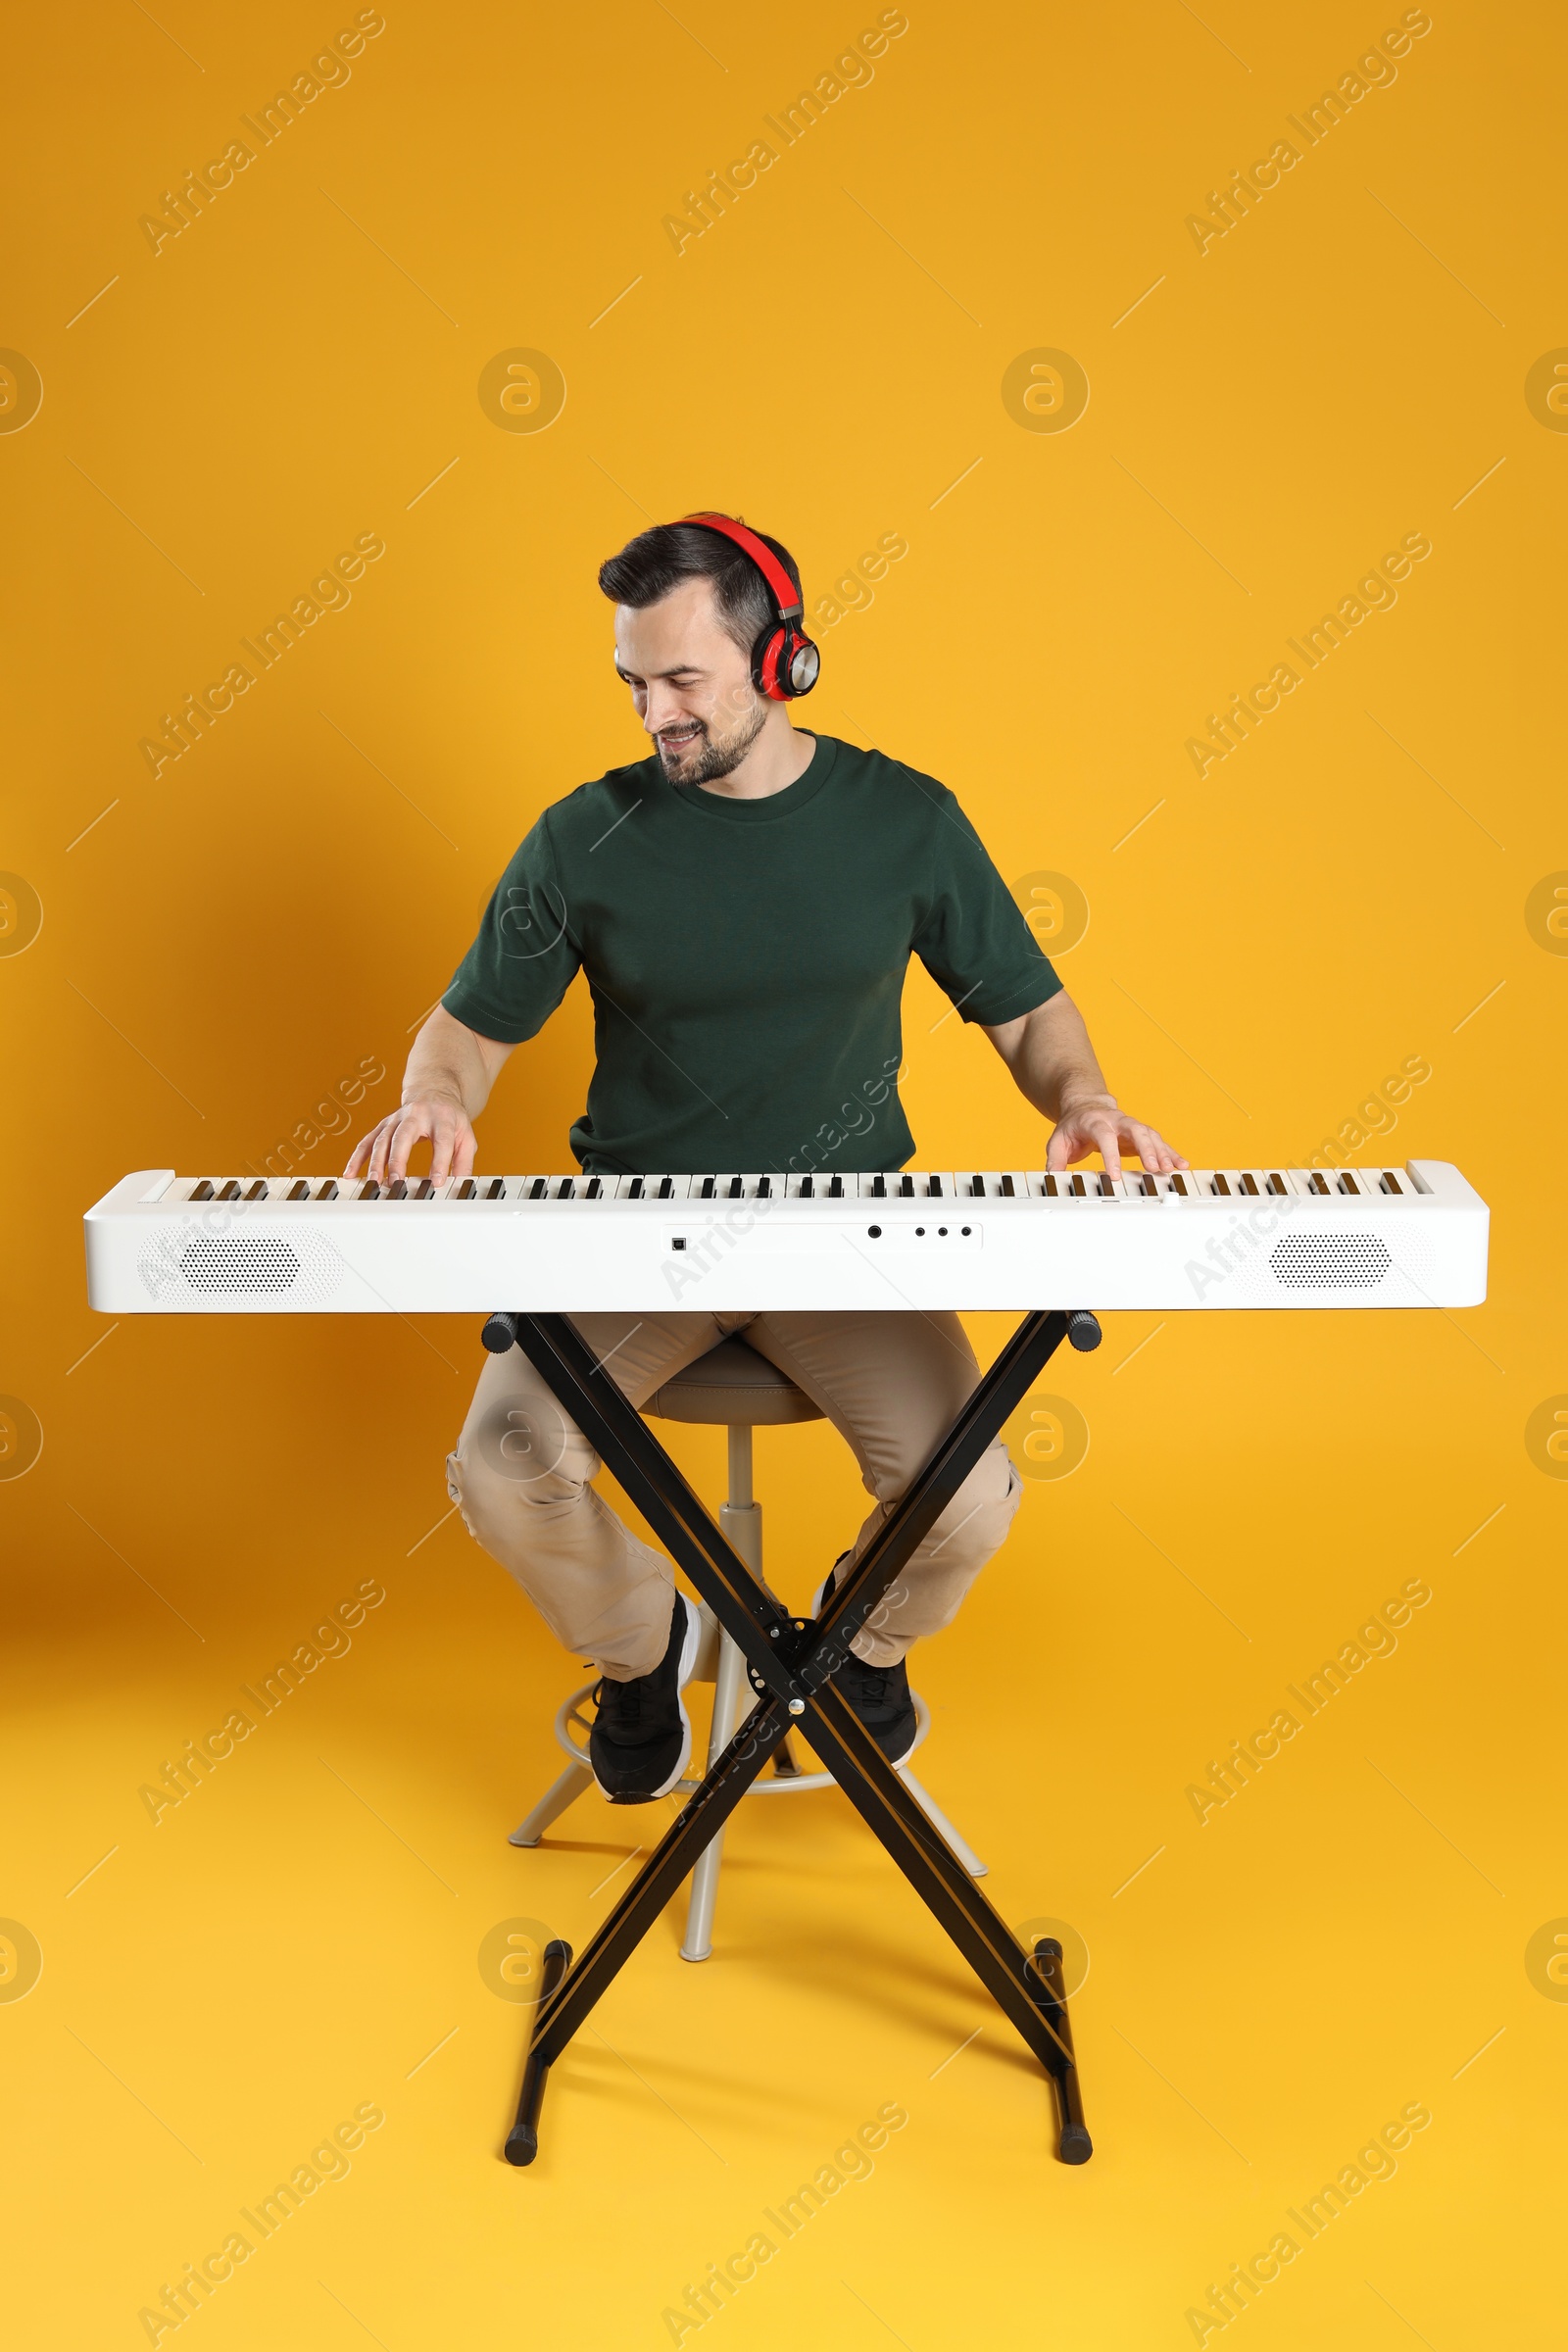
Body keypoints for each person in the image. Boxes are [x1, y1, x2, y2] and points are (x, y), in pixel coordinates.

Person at [347, 514, 1187, 1803]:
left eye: (682, 679)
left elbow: (1023, 1010)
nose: (655, 715)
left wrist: (1082, 1095)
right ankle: (644, 1651)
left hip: (848, 1241)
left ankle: (858, 1641)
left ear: (783, 661)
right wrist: (432, 1102)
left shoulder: (906, 821)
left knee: (964, 1498)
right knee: (504, 1470)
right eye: (634, 683)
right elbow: (463, 1030)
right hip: (632, 1237)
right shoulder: (584, 837)